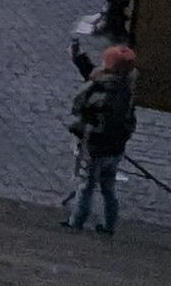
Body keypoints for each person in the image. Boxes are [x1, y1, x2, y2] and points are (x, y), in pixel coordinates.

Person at [66, 44, 138, 236]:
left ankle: (76, 223)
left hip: (96, 149)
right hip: (115, 149)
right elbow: (94, 74)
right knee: (108, 187)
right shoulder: (124, 86)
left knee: (86, 186)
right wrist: (79, 58)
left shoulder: (104, 95)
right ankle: (109, 225)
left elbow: (84, 107)